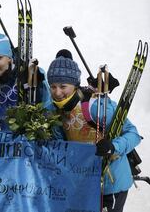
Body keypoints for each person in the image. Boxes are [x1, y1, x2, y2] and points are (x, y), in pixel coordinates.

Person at [45, 49, 141, 212]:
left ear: (75, 85)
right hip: (82, 181)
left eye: (63, 86)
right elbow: (61, 146)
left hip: (111, 183)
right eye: (53, 86)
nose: (57, 92)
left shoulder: (95, 106)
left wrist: (112, 146)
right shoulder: (54, 111)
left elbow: (133, 134)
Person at [0, 33, 51, 131]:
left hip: (33, 137)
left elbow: (49, 110)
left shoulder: (33, 75)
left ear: (9, 58)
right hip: (5, 141)